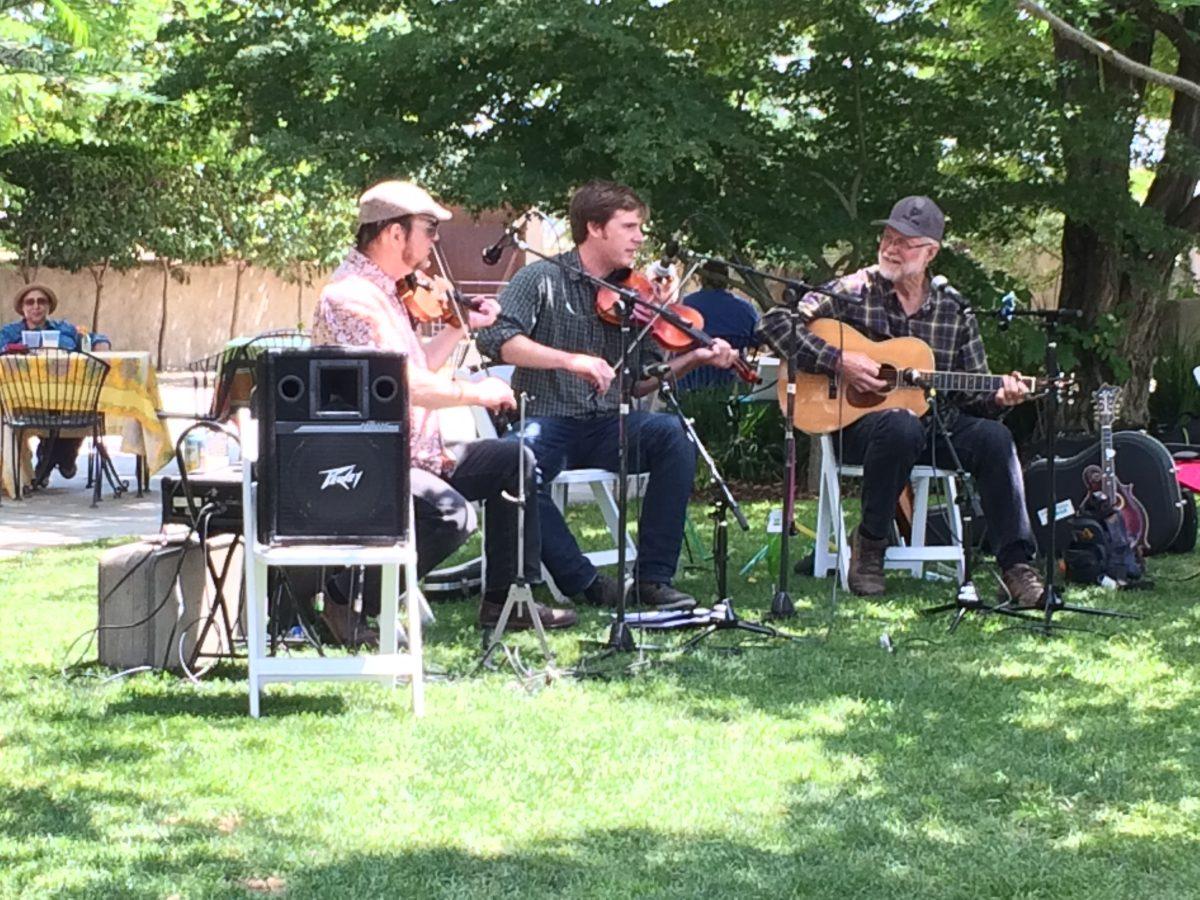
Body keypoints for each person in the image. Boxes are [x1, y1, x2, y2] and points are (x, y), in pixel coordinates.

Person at [311, 179, 577, 644]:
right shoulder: (350, 298)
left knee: (514, 460)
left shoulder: (388, 292)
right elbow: (402, 386)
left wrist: (459, 326)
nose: (435, 241)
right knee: (450, 515)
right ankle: (344, 598)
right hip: (373, 459)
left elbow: (416, 365)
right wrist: (477, 393)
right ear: (394, 234)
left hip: (417, 452)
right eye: (428, 229)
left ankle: (503, 602)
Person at [756, 195, 1046, 608]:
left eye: (905, 242)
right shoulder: (854, 290)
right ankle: (871, 545)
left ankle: (1017, 566)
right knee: (898, 423)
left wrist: (1000, 397)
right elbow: (773, 322)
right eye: (888, 237)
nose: (891, 247)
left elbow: (974, 394)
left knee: (995, 438)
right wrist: (839, 362)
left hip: (934, 425)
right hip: (858, 429)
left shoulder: (954, 310)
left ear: (930, 252)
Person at [475, 179, 739, 610]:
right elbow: (497, 340)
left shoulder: (631, 294)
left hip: (606, 424)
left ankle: (653, 578)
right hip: (547, 419)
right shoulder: (540, 277)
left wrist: (693, 359)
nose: (640, 238)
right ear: (595, 228)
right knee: (515, 465)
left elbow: (638, 383)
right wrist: (571, 360)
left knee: (673, 434)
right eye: (630, 227)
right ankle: (586, 582)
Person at [1, 283, 113, 481]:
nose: (36, 306)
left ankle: (51, 459)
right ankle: (57, 459)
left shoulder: (65, 329)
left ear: (49, 306)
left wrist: (100, 344)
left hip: (69, 401)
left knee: (77, 409)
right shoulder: (9, 333)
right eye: (30, 302)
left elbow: (95, 338)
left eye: (41, 301)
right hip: (26, 403)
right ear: (22, 307)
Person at [677, 260, 761, 391]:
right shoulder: (746, 309)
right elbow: (756, 341)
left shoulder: (683, 305)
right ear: (727, 281)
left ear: (702, 279)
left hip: (686, 383)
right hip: (731, 386)